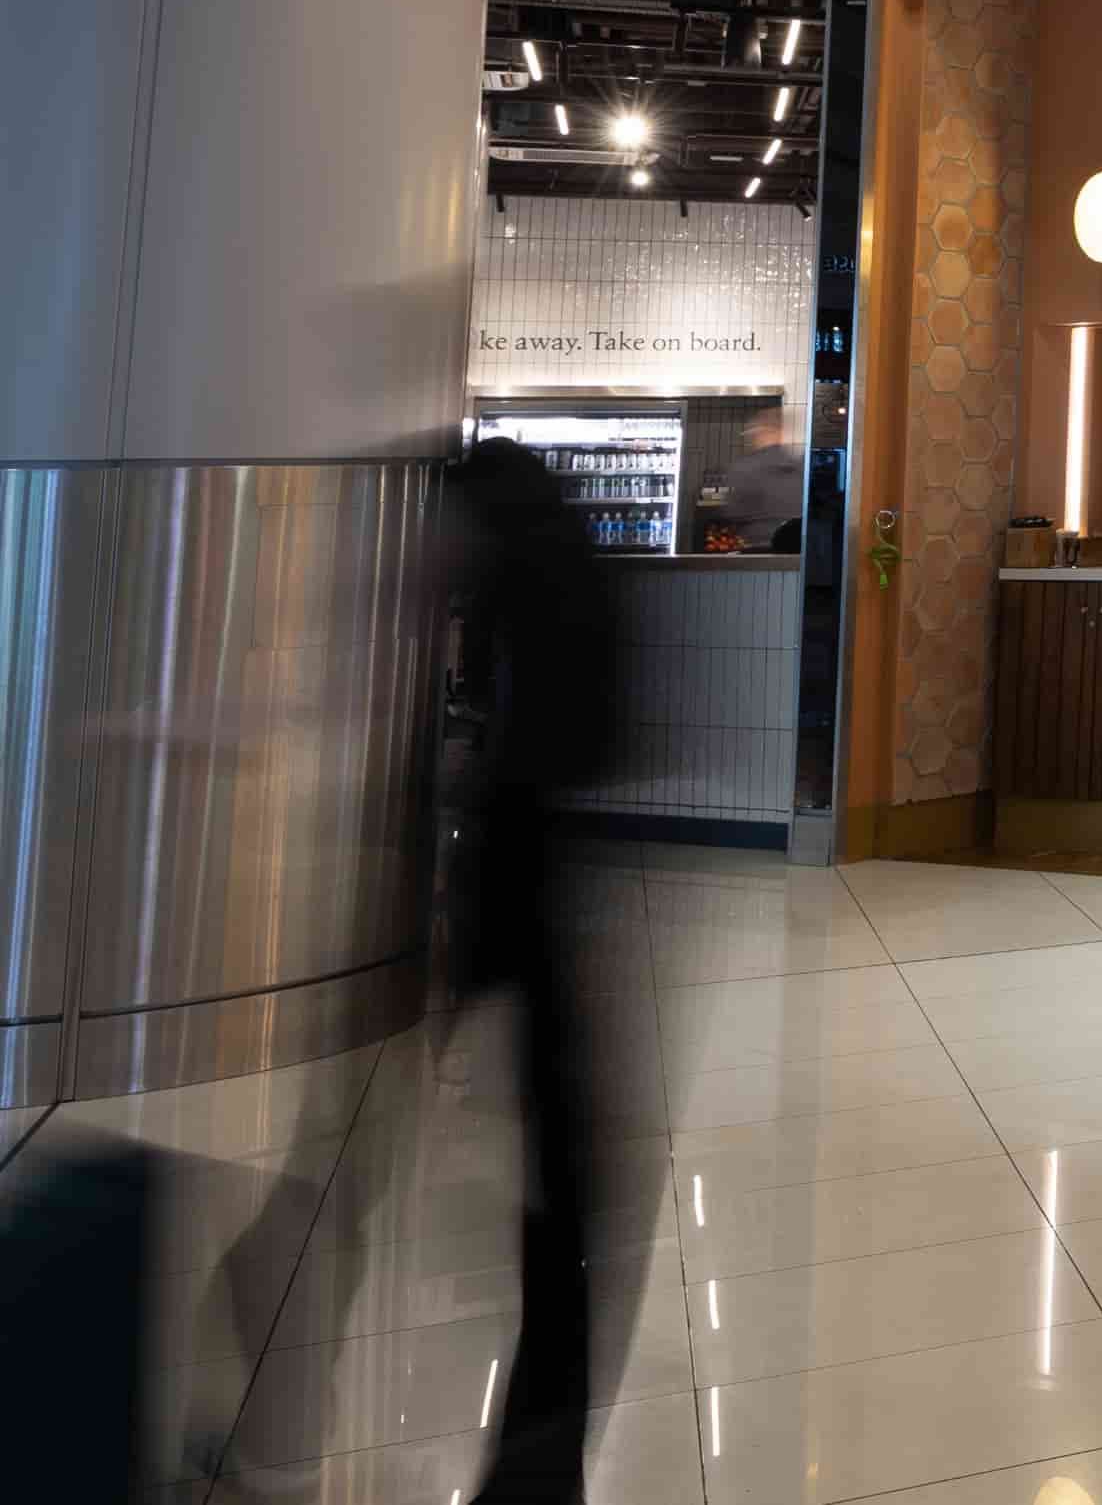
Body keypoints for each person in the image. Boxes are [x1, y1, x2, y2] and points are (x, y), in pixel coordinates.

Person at [440, 437, 630, 1505]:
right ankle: (540, 1458)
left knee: (556, 1204)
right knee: (564, 1204)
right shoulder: (572, 583)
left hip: (537, 912)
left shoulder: (525, 606)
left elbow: (527, 778)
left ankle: (537, 1461)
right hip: (561, 917)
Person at [717, 404, 807, 550]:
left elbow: (732, 512)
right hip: (796, 554)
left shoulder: (744, 468)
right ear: (781, 431)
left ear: (762, 431)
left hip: (757, 552)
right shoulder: (801, 467)